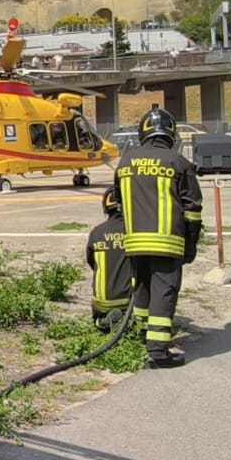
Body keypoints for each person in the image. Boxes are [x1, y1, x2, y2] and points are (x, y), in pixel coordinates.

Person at [115, 107, 204, 367]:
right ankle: (158, 352)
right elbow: (193, 211)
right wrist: (191, 246)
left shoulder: (125, 161)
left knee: (141, 288)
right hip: (167, 242)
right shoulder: (178, 163)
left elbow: (118, 200)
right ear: (171, 134)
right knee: (163, 292)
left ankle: (142, 335)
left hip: (134, 242)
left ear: (143, 133)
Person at [86, 188, 135, 333]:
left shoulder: (97, 232)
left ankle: (102, 321)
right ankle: (129, 319)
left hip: (102, 302)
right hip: (130, 300)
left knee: (98, 319)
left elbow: (91, 262)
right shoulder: (135, 231)